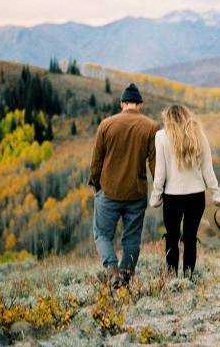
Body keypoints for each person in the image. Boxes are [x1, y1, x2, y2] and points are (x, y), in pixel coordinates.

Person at [88, 82, 158, 289]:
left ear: (122, 104)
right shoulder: (151, 127)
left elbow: (96, 161)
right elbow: (155, 164)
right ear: (140, 104)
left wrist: (95, 185)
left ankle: (112, 272)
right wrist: (159, 191)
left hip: (108, 191)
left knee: (102, 234)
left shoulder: (106, 125)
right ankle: (126, 277)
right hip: (136, 193)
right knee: (132, 239)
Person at [149, 104, 220, 277]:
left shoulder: (160, 136)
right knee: (190, 239)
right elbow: (208, 169)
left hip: (172, 197)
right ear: (186, 116)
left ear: (168, 118)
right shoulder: (199, 135)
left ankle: (172, 277)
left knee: (172, 238)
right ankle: (188, 277)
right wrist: (216, 192)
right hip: (196, 197)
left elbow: (160, 172)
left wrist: (155, 196)